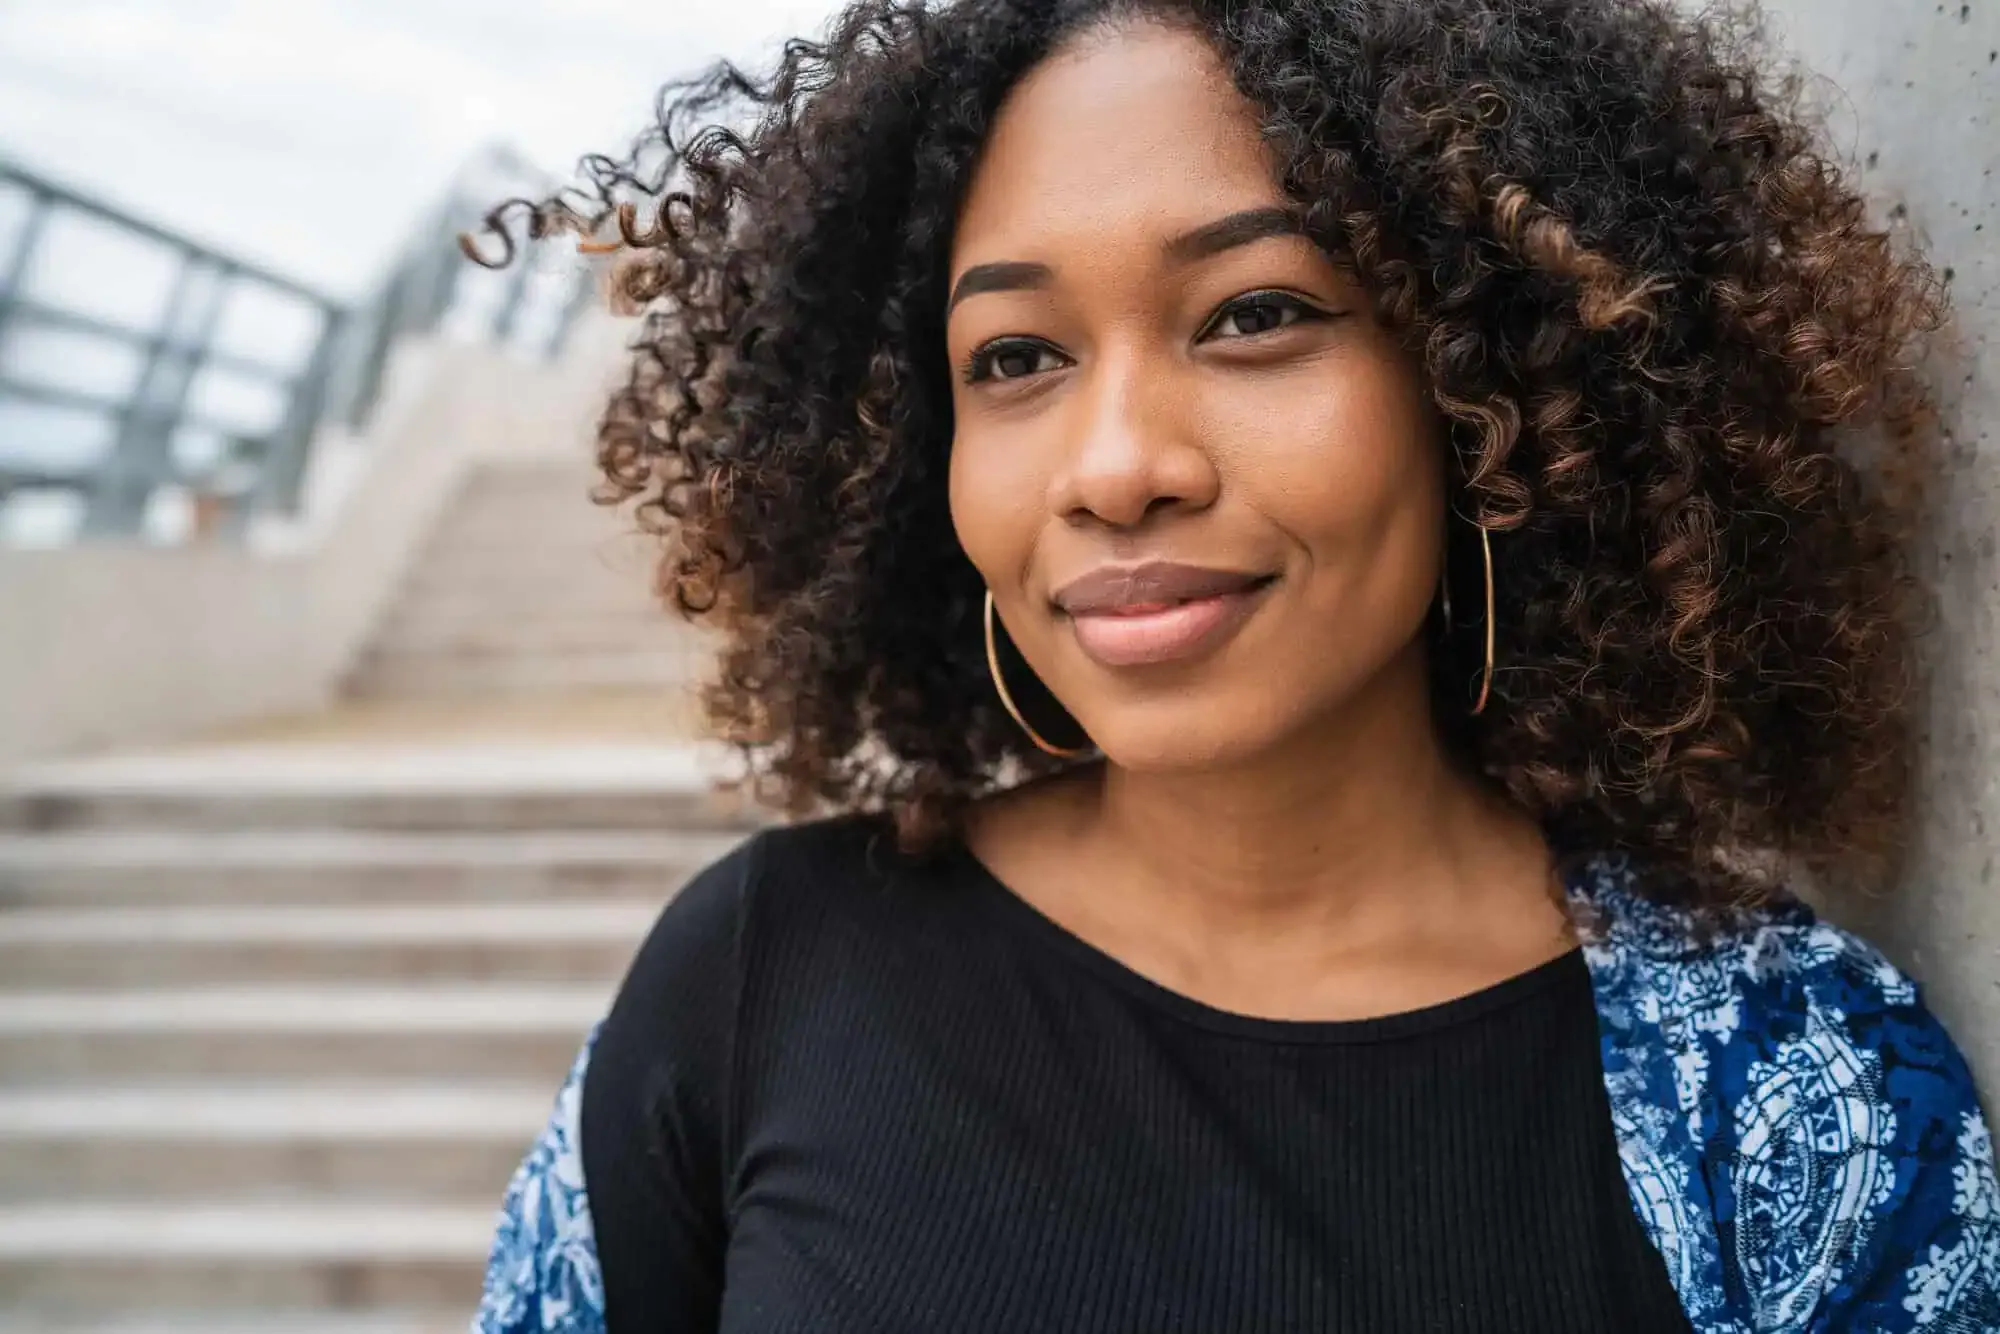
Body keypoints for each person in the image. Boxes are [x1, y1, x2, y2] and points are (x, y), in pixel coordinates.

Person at [470, 0, 2000, 1329]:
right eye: (1016, 358)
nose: (1117, 466)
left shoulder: (1791, 1082)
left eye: (1256, 314)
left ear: (1489, 390)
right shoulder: (759, 976)